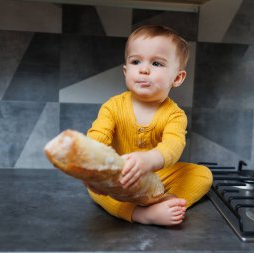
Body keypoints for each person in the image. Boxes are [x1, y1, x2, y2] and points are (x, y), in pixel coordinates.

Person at [86, 25, 213, 226]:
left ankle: (168, 202)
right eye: (136, 61)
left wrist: (149, 160)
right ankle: (141, 214)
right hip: (122, 178)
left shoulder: (175, 115)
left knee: (202, 175)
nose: (144, 69)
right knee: (97, 192)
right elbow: (97, 138)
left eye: (156, 63)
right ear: (126, 71)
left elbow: (173, 146)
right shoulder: (112, 106)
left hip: (157, 177)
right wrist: (93, 168)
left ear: (177, 78)